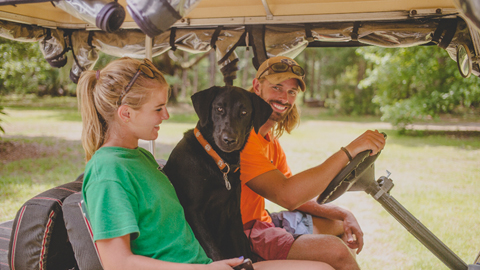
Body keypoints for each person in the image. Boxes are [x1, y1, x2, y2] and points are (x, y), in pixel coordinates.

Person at [77, 57, 334, 270]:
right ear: (126, 114)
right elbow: (117, 263)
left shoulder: (139, 157)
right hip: (200, 268)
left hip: (208, 263)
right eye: (158, 109)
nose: (166, 115)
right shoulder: (107, 171)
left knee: (323, 267)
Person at [240, 56, 387, 270]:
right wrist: (348, 152)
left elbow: (296, 195)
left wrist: (343, 213)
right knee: (336, 251)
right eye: (277, 87)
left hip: (265, 222)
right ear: (257, 86)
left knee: (338, 226)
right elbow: (288, 196)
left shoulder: (270, 141)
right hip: (244, 232)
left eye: (291, 92)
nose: (284, 98)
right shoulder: (242, 138)